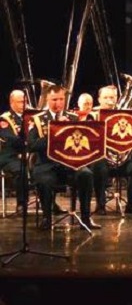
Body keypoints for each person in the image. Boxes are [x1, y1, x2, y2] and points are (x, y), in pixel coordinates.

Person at [29, 84, 99, 230]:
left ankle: (86, 218)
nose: (58, 103)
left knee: (86, 174)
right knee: (44, 181)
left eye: (61, 99)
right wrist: (54, 132)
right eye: (54, 99)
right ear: (47, 99)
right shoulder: (37, 119)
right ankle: (46, 218)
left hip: (70, 164)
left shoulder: (73, 117)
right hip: (46, 164)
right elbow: (32, 145)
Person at [91, 84, 132, 215]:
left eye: (112, 97)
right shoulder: (93, 115)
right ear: (99, 99)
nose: (109, 101)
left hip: (120, 160)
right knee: (99, 166)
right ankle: (100, 205)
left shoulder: (124, 116)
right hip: (102, 160)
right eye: (106, 98)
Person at [0, 90, 28, 213]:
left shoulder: (30, 117)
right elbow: (10, 138)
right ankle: (21, 203)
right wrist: (29, 142)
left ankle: (50, 203)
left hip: (29, 154)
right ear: (12, 102)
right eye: (21, 102)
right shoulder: (4, 118)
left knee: (45, 168)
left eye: (25, 102)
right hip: (10, 156)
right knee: (20, 170)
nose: (24, 105)